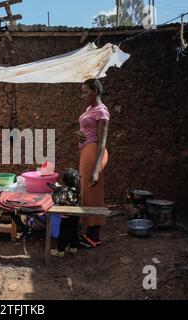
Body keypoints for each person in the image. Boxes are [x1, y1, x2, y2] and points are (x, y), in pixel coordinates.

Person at [77, 78, 110, 248]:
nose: (82, 95)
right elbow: (87, 130)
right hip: (86, 152)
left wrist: (97, 170)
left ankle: (94, 237)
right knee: (87, 193)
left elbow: (102, 141)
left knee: (94, 193)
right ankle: (89, 232)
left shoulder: (101, 112)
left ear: (95, 91)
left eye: (85, 92)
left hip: (95, 152)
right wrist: (80, 134)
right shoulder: (90, 109)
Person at [49, 168, 81, 257]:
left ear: (65, 181)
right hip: (76, 215)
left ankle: (60, 251)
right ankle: (73, 247)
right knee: (74, 232)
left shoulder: (64, 191)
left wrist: (55, 191)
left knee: (63, 234)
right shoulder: (77, 189)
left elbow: (57, 200)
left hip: (66, 216)